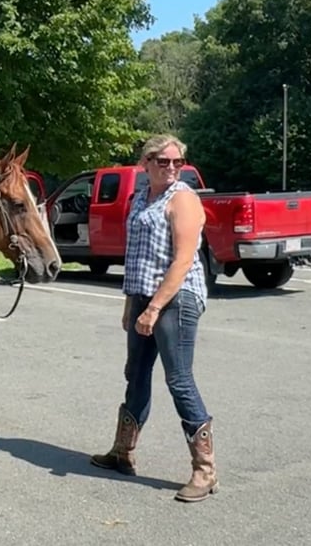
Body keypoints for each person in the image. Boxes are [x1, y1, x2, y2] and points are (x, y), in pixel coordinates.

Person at [90, 134, 218, 503]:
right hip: (145, 296)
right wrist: (133, 305)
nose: (172, 168)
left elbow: (182, 261)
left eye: (178, 162)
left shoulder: (183, 199)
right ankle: (122, 452)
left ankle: (205, 470)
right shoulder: (140, 199)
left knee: (178, 379)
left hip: (176, 299)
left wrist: (154, 308)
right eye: (164, 161)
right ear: (145, 163)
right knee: (136, 372)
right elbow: (137, 257)